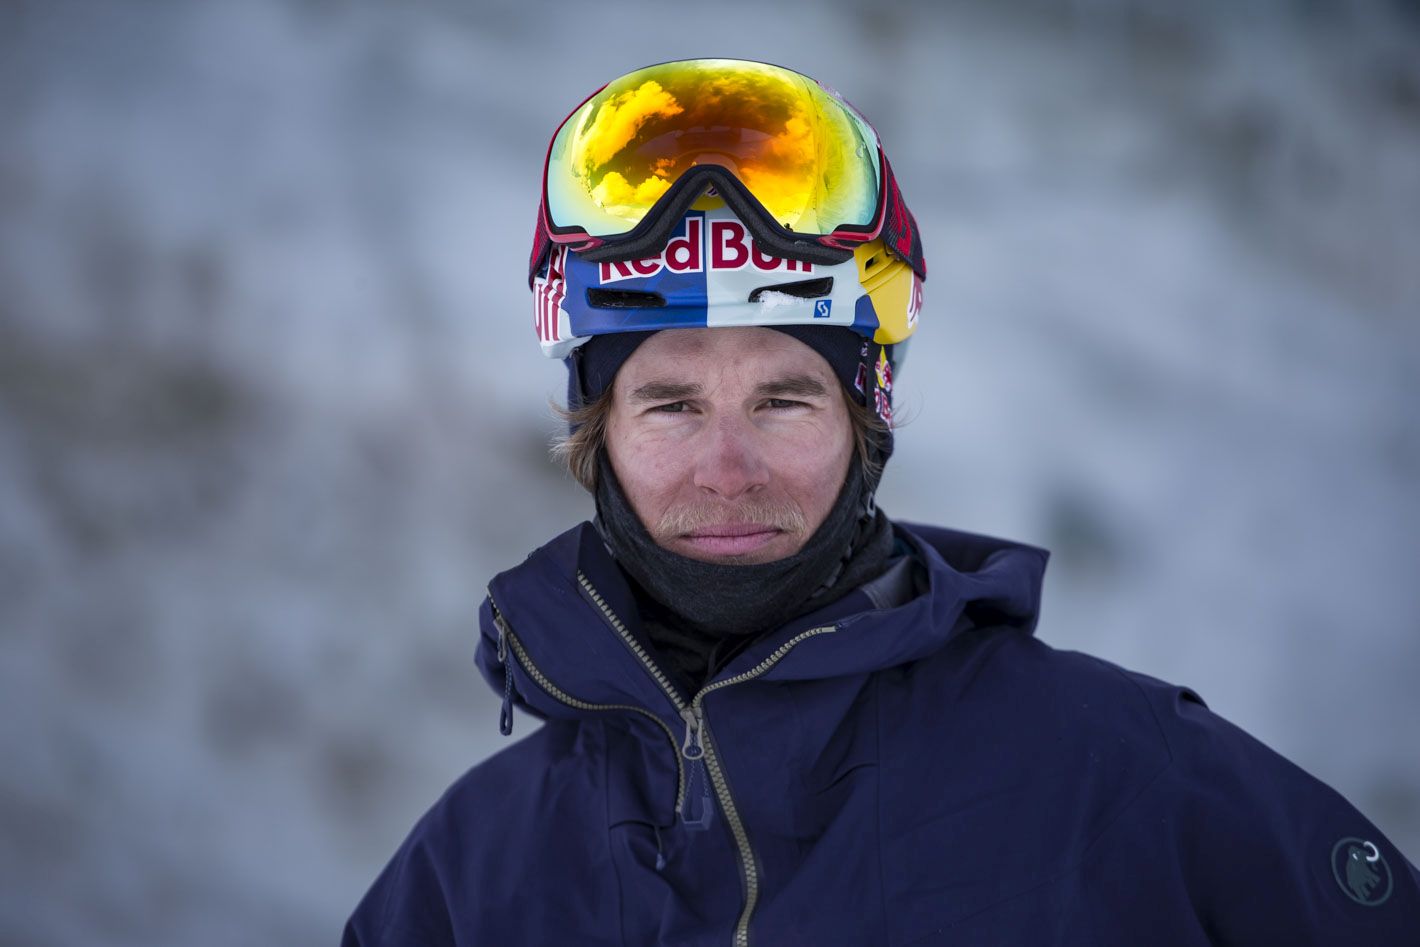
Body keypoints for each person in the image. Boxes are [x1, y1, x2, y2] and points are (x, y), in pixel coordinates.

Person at [343, 59, 1418, 946]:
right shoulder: (472, 876)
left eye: (784, 399)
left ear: (867, 422)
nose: (728, 468)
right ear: (597, 433)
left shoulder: (1127, 778)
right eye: (670, 405)